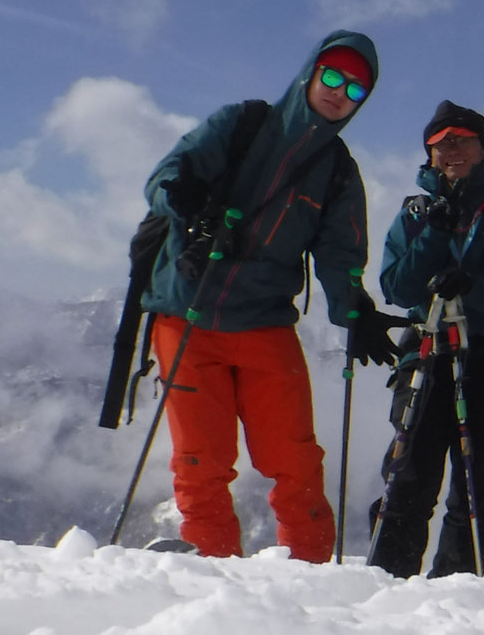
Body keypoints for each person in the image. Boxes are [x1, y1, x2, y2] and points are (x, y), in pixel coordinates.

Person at [139, 31, 394, 560]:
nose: (339, 91)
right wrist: (180, 199)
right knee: (199, 462)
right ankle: (212, 575)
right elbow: (166, 176)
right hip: (186, 309)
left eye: (355, 88)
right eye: (331, 75)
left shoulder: (337, 170)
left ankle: (308, 580)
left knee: (295, 460)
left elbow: (340, 253)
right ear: (309, 72)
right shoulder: (241, 124)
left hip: (263, 321)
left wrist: (355, 311)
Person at [370, 101, 484, 577]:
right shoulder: (415, 214)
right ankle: (389, 582)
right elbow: (397, 287)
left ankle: (457, 588)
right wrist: (433, 236)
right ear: (430, 155)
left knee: (474, 487)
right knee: (407, 479)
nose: (453, 151)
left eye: (463, 140)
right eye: (442, 144)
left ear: (483, 148)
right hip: (425, 355)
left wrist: (471, 284)